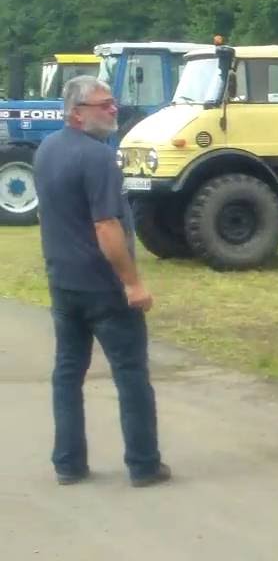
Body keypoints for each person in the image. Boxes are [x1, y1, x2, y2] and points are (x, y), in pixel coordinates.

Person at [33, 75, 170, 487]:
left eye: (113, 103)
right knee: (130, 374)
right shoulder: (97, 158)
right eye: (103, 105)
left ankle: (68, 463)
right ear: (77, 114)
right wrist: (132, 283)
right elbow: (107, 226)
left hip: (64, 282)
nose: (113, 110)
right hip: (104, 288)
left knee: (67, 373)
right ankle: (144, 464)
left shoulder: (46, 149)